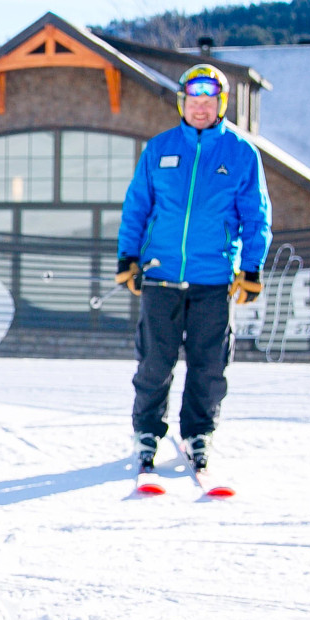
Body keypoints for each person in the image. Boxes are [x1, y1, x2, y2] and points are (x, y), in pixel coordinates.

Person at [115, 62, 272, 477]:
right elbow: (137, 207)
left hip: (214, 279)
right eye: (193, 100)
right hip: (160, 275)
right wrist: (127, 258)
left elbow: (256, 217)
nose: (200, 108)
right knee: (154, 362)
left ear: (221, 104)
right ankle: (147, 430)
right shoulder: (160, 149)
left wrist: (252, 268)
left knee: (208, 364)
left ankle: (198, 432)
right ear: (183, 103)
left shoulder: (241, 153)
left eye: (209, 101)